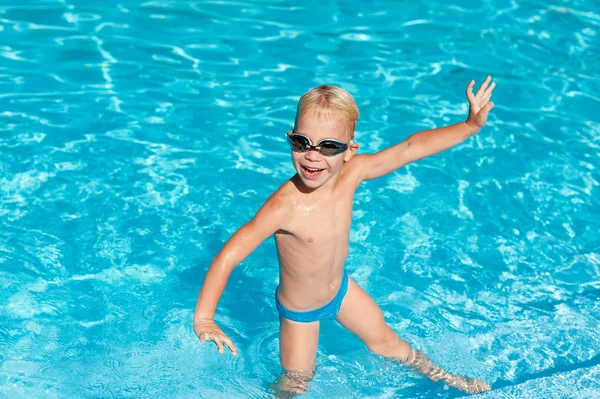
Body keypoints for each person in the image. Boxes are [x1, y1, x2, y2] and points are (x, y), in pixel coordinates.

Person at [193, 77, 496, 395]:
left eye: (328, 146)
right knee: (297, 381)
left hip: (341, 290)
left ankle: (444, 378)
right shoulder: (284, 206)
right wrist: (204, 319)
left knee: (388, 343)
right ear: (290, 138)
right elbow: (230, 255)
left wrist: (470, 126)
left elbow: (409, 149)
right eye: (301, 143)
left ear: (350, 151)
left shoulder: (353, 173)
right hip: (300, 313)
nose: (312, 156)